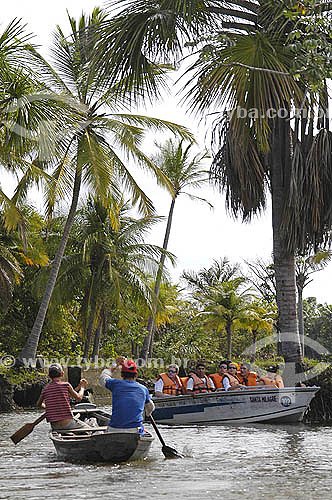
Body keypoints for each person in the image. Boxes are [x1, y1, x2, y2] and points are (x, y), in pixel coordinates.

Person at [99, 356, 155, 434]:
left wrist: (115, 364)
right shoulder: (143, 389)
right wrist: (148, 413)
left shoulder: (115, 384)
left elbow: (103, 377)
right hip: (135, 430)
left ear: (122, 374)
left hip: (114, 429)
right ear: (136, 375)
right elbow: (151, 408)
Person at [37, 363, 91, 431]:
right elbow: (79, 398)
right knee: (90, 429)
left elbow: (38, 404)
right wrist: (83, 387)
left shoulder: (45, 389)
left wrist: (48, 407)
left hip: (55, 426)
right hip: (68, 424)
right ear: (62, 374)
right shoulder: (66, 385)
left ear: (49, 376)